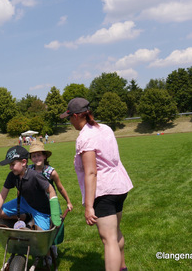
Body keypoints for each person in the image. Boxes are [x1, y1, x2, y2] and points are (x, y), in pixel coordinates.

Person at [60, 98, 133, 271]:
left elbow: (91, 172)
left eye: (70, 118)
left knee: (108, 239)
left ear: (77, 116)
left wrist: (89, 206)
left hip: (104, 191)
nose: (70, 122)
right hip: (120, 186)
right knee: (115, 232)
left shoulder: (85, 137)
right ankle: (122, 268)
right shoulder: (104, 128)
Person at [0, 146, 61, 231]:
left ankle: (35, 219)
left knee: (41, 233)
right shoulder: (12, 176)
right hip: (24, 202)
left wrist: (55, 214)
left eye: (12, 164)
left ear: (23, 162)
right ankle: (26, 217)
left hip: (40, 209)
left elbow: (51, 189)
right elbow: (2, 195)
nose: (10, 168)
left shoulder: (34, 175)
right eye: (9, 165)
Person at [29, 141, 73, 257]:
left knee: (55, 224)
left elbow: (60, 188)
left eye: (39, 155)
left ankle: (52, 246)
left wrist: (68, 201)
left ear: (44, 156)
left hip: (50, 201)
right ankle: (40, 247)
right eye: (34, 156)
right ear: (31, 158)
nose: (37, 158)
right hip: (35, 202)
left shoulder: (51, 172)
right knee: (36, 224)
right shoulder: (29, 170)